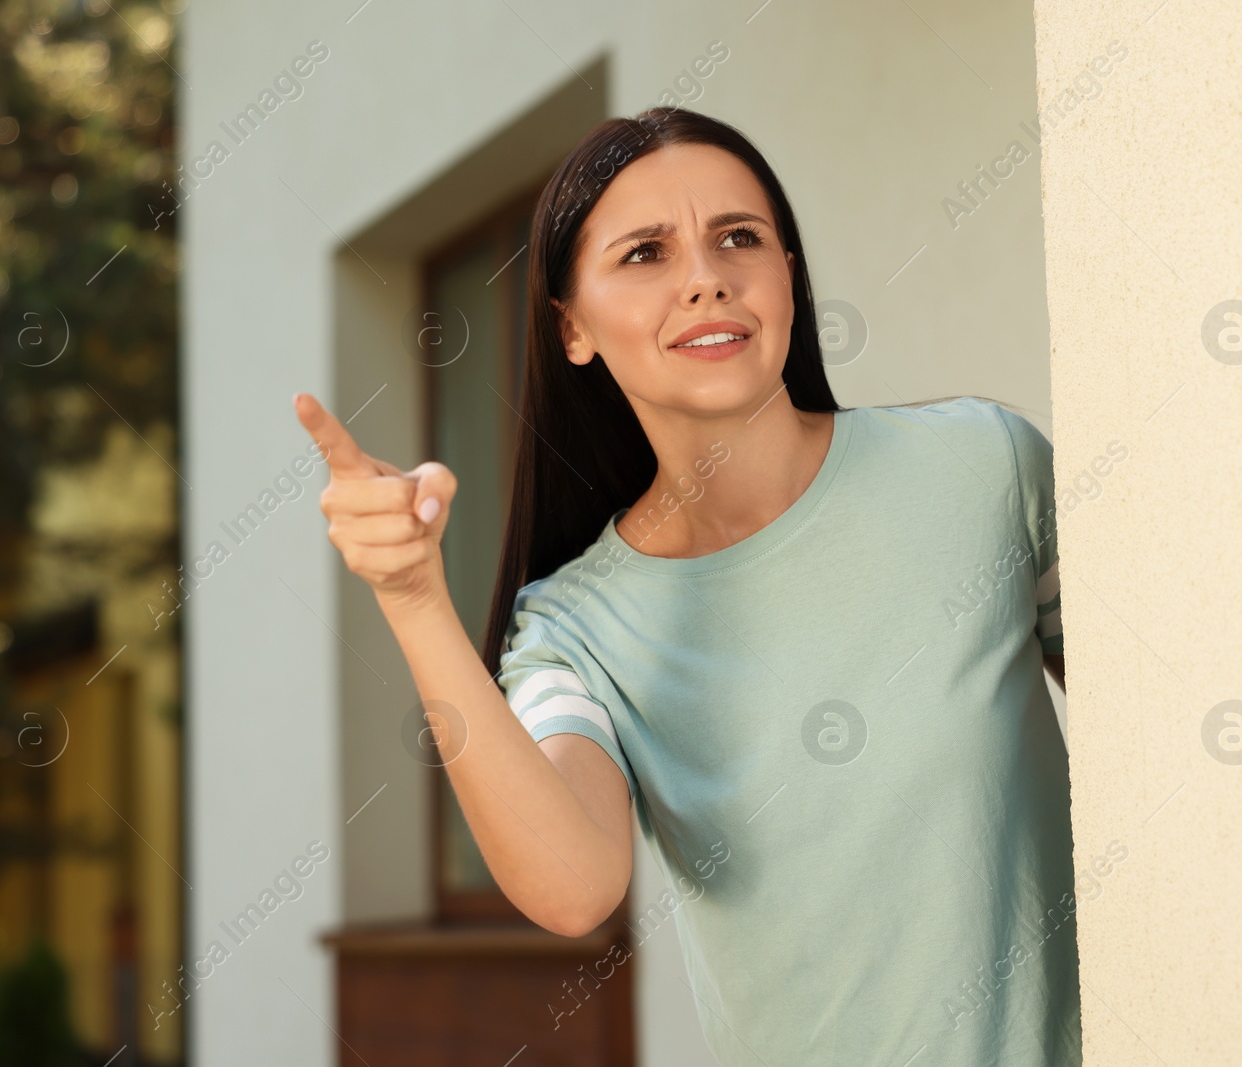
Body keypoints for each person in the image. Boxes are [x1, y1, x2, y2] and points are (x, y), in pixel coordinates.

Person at [294, 106, 1079, 1066]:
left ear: (788, 274)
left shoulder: (985, 469)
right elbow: (574, 888)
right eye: (645, 254)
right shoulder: (573, 627)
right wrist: (414, 596)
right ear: (571, 325)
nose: (706, 278)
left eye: (738, 239)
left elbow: (1156, 725)